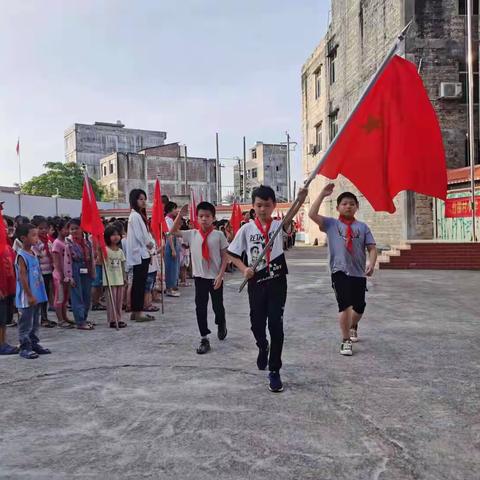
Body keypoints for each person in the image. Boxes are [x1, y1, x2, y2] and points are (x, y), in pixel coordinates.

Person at [227, 185, 308, 393]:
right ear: (253, 206)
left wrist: (299, 199)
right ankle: (263, 346)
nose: (263, 209)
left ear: (274, 206)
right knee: (257, 324)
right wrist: (244, 269)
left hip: (277, 281)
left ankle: (275, 370)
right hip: (256, 282)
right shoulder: (247, 229)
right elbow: (232, 254)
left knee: (276, 326)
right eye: (259, 205)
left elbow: (290, 216)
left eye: (267, 205)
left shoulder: (278, 226)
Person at [308, 183, 377, 356]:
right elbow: (312, 214)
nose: (348, 206)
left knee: (359, 306)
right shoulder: (330, 224)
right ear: (338, 207)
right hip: (339, 271)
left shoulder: (362, 227)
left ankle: (353, 325)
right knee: (344, 305)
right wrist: (323, 194)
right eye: (344, 203)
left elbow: (372, 248)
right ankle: (345, 340)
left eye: (352, 204)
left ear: (357, 207)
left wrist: (372, 263)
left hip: (358, 272)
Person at [171, 201, 229, 354]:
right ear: (196, 218)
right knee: (200, 308)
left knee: (218, 307)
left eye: (208, 216)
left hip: (215, 278)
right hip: (200, 278)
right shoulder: (192, 234)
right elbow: (172, 231)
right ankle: (204, 338)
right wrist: (180, 215)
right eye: (201, 216)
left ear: (213, 218)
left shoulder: (219, 235)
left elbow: (225, 257)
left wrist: (221, 275)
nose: (204, 219)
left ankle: (221, 322)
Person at [14, 223, 50, 359]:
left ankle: (34, 343)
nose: (37, 238)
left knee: (35, 321)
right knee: (25, 323)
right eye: (33, 235)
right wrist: (29, 295)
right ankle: (24, 347)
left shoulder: (34, 253)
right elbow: (22, 278)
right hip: (27, 296)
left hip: (36, 294)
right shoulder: (21, 256)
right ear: (23, 238)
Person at [126, 189, 155, 322]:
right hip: (140, 254)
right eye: (140, 199)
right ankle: (138, 311)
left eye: (144, 199)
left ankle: (135, 310)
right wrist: (150, 244)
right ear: (134, 200)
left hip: (142, 253)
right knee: (139, 284)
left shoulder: (139, 215)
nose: (143, 201)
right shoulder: (135, 216)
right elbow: (141, 235)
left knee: (139, 283)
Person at [64, 218, 96, 330]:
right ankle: (80, 321)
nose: (73, 231)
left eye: (76, 228)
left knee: (87, 296)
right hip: (75, 270)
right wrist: (69, 276)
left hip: (86, 269)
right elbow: (67, 260)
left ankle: (84, 317)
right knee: (77, 296)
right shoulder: (68, 244)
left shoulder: (87, 242)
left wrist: (93, 271)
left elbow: (92, 258)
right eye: (71, 229)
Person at [32, 216, 56, 328]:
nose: (43, 230)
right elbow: (37, 255)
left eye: (45, 228)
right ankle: (39, 318)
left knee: (46, 294)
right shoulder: (35, 241)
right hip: (39, 272)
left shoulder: (48, 240)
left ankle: (44, 317)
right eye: (40, 228)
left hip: (48, 271)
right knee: (39, 296)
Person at [103, 225, 127, 328]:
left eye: (117, 234)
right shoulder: (105, 250)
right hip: (110, 280)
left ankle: (119, 318)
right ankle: (112, 320)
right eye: (113, 235)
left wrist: (124, 278)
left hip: (119, 279)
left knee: (119, 301)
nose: (116, 237)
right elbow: (100, 261)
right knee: (111, 301)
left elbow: (122, 265)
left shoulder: (120, 251)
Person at [51, 218, 74, 328]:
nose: (67, 231)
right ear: (58, 229)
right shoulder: (56, 243)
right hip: (59, 275)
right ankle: (60, 319)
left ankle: (65, 317)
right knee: (59, 298)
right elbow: (56, 262)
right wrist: (60, 275)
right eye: (65, 228)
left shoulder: (66, 242)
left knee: (65, 298)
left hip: (66, 274)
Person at [0, 218, 18, 354]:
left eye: (6, 227)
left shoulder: (7, 246)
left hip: (9, 288)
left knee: (5, 318)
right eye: (2, 226)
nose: (5, 229)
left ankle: (4, 342)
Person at [164, 201, 181, 297]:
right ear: (170, 209)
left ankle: (172, 286)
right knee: (170, 267)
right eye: (175, 208)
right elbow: (169, 236)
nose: (176, 210)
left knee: (174, 267)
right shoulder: (167, 220)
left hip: (174, 244)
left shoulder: (171, 220)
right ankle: (169, 289)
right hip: (170, 245)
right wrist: (173, 249)